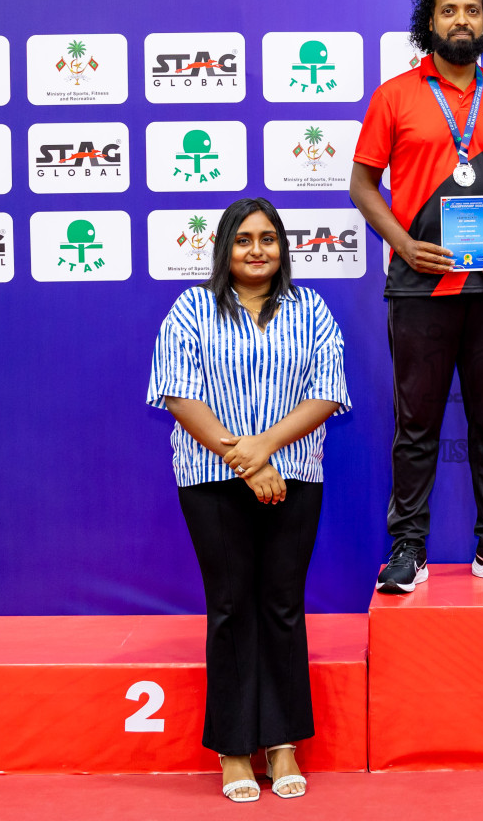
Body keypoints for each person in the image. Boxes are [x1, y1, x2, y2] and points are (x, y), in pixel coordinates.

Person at [147, 197, 350, 802]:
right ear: (224, 250)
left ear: (283, 246)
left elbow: (326, 392)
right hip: (211, 480)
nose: (256, 249)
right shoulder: (191, 308)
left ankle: (283, 742)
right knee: (232, 607)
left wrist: (263, 450)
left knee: (283, 607)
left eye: (267, 238)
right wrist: (246, 462)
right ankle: (235, 750)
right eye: (243, 240)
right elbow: (179, 396)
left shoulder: (311, 308)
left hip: (294, 475)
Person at [350, 0, 483, 593]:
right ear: (428, 22)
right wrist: (402, 244)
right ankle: (408, 549)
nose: (462, 20)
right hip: (418, 286)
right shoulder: (395, 96)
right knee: (417, 424)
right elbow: (361, 185)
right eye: (449, 10)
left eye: (473, 10)